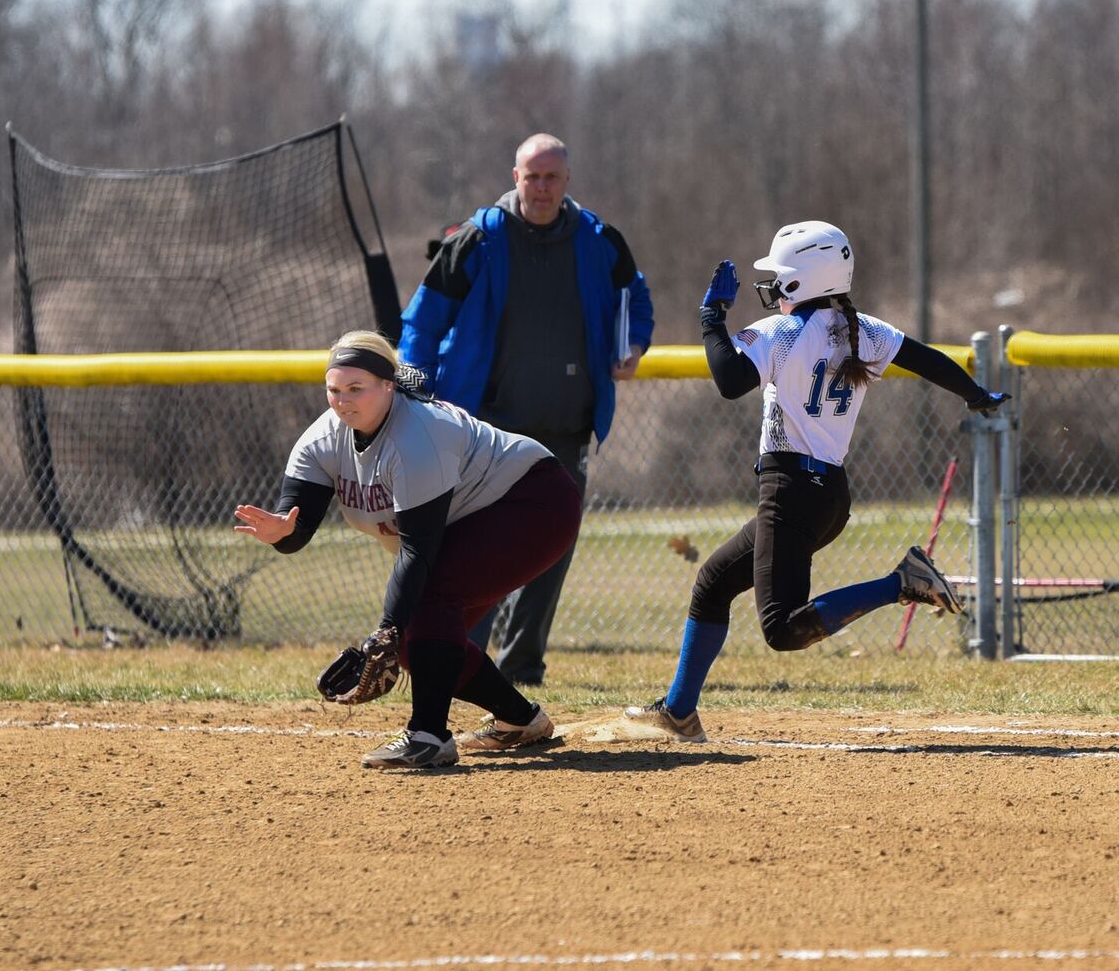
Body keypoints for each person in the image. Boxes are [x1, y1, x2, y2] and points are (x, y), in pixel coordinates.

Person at [626, 221, 1009, 742]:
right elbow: (929, 361)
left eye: (777, 279)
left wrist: (711, 318)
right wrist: (975, 394)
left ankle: (903, 582)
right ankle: (678, 711)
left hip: (790, 493)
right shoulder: (862, 329)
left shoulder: (785, 332)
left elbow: (730, 381)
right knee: (713, 582)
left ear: (799, 282)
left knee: (782, 629)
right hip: (826, 496)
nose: (770, 290)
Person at [234, 330, 583, 769]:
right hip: (471, 521)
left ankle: (428, 737)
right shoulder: (323, 442)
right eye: (334, 390)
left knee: (429, 595)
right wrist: (282, 534)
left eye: (356, 389)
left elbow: (419, 551)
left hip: (533, 502)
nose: (343, 401)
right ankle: (520, 719)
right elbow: (296, 523)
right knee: (414, 645)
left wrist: (385, 627)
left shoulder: (417, 434)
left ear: (388, 385)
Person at [399, 133, 654, 686]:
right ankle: (457, 663)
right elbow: (421, 322)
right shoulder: (475, 241)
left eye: (552, 177)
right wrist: (413, 391)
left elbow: (636, 298)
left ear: (567, 181)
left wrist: (633, 346)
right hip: (482, 432)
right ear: (515, 177)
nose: (541, 187)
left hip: (564, 428)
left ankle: (521, 672)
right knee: (475, 557)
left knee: (548, 553)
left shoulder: (600, 241)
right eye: (531, 176)